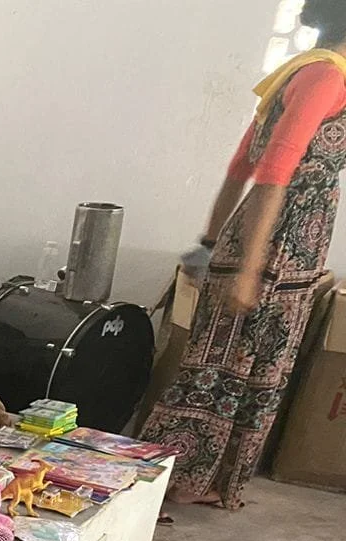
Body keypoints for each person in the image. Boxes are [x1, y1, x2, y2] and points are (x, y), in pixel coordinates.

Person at [140, 0, 346, 509]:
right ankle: (178, 480)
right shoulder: (324, 78)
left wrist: (211, 242)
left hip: (280, 248)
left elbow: (240, 165)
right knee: (220, 367)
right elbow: (272, 171)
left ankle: (206, 480)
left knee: (251, 367)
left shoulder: (304, 71)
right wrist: (248, 270)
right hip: (274, 247)